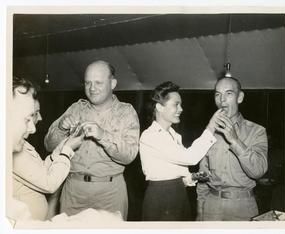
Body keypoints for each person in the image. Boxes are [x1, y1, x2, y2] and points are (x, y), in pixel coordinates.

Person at [44, 60, 140, 220]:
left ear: (113, 83)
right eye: (87, 83)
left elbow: (129, 156)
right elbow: (48, 146)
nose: (92, 88)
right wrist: (61, 128)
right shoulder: (75, 108)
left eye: (98, 83)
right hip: (73, 192)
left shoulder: (126, 112)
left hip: (109, 193)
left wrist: (103, 135)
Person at [139, 81, 222, 221]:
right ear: (159, 107)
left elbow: (174, 174)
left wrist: (193, 177)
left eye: (180, 104)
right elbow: (190, 158)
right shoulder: (152, 135)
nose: (181, 109)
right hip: (162, 198)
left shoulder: (172, 135)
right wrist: (211, 126)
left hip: (178, 195)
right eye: (176, 104)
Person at [196, 77, 268, 221]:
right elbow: (203, 175)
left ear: (239, 97)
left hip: (242, 207)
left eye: (228, 93)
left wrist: (235, 141)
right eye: (217, 94)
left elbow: (259, 171)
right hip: (211, 206)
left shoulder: (257, 131)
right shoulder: (209, 133)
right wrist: (200, 210)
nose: (222, 100)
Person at [12, 76, 84, 220]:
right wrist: (67, 151)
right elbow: (49, 183)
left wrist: (64, 146)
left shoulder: (18, 142)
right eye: (31, 115)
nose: (39, 119)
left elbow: (41, 169)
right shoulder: (13, 150)